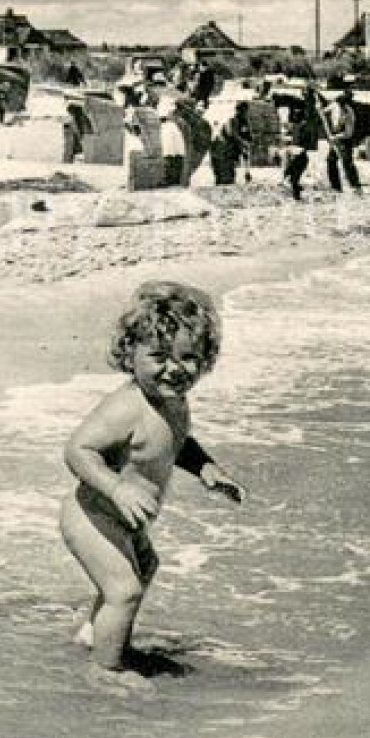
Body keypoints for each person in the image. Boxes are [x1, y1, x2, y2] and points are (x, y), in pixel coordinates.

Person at [60, 282, 244, 687]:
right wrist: (117, 489)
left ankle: (95, 633)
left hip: (124, 517)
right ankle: (104, 670)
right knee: (123, 589)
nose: (175, 369)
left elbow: (173, 441)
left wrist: (206, 468)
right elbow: (78, 450)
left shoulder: (172, 401)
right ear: (130, 354)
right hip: (93, 514)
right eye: (159, 356)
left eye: (189, 357)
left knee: (143, 569)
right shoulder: (127, 407)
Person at [325, 89, 361, 193]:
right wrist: (320, 110)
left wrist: (335, 137)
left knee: (347, 162)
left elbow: (348, 133)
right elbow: (325, 111)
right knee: (331, 161)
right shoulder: (334, 105)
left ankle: (355, 186)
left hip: (345, 140)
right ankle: (335, 187)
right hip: (335, 136)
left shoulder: (349, 113)